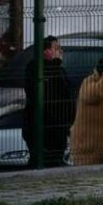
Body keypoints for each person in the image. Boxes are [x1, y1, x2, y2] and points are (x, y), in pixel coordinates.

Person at [22, 35, 73, 166]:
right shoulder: (34, 68)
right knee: (40, 161)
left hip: (59, 126)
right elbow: (40, 92)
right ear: (46, 51)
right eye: (56, 48)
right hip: (41, 126)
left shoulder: (60, 70)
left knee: (56, 160)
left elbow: (66, 95)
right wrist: (55, 64)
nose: (60, 51)